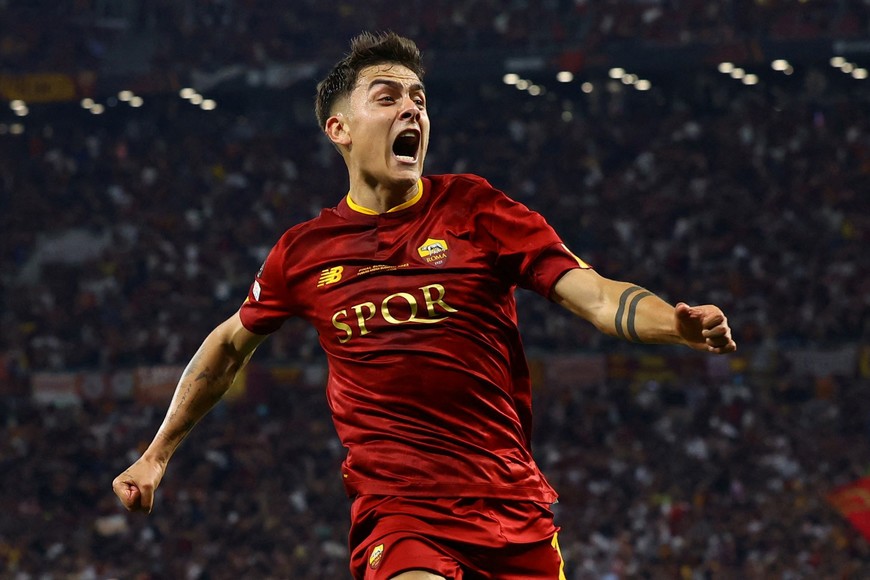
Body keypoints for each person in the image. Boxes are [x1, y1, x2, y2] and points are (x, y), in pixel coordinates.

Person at [113, 31, 736, 580]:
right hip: (402, 513)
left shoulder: (476, 209)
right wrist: (155, 454)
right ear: (340, 130)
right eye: (387, 97)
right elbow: (227, 346)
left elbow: (597, 295)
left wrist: (674, 325)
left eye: (418, 99)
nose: (411, 108)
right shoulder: (302, 253)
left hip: (512, 509)